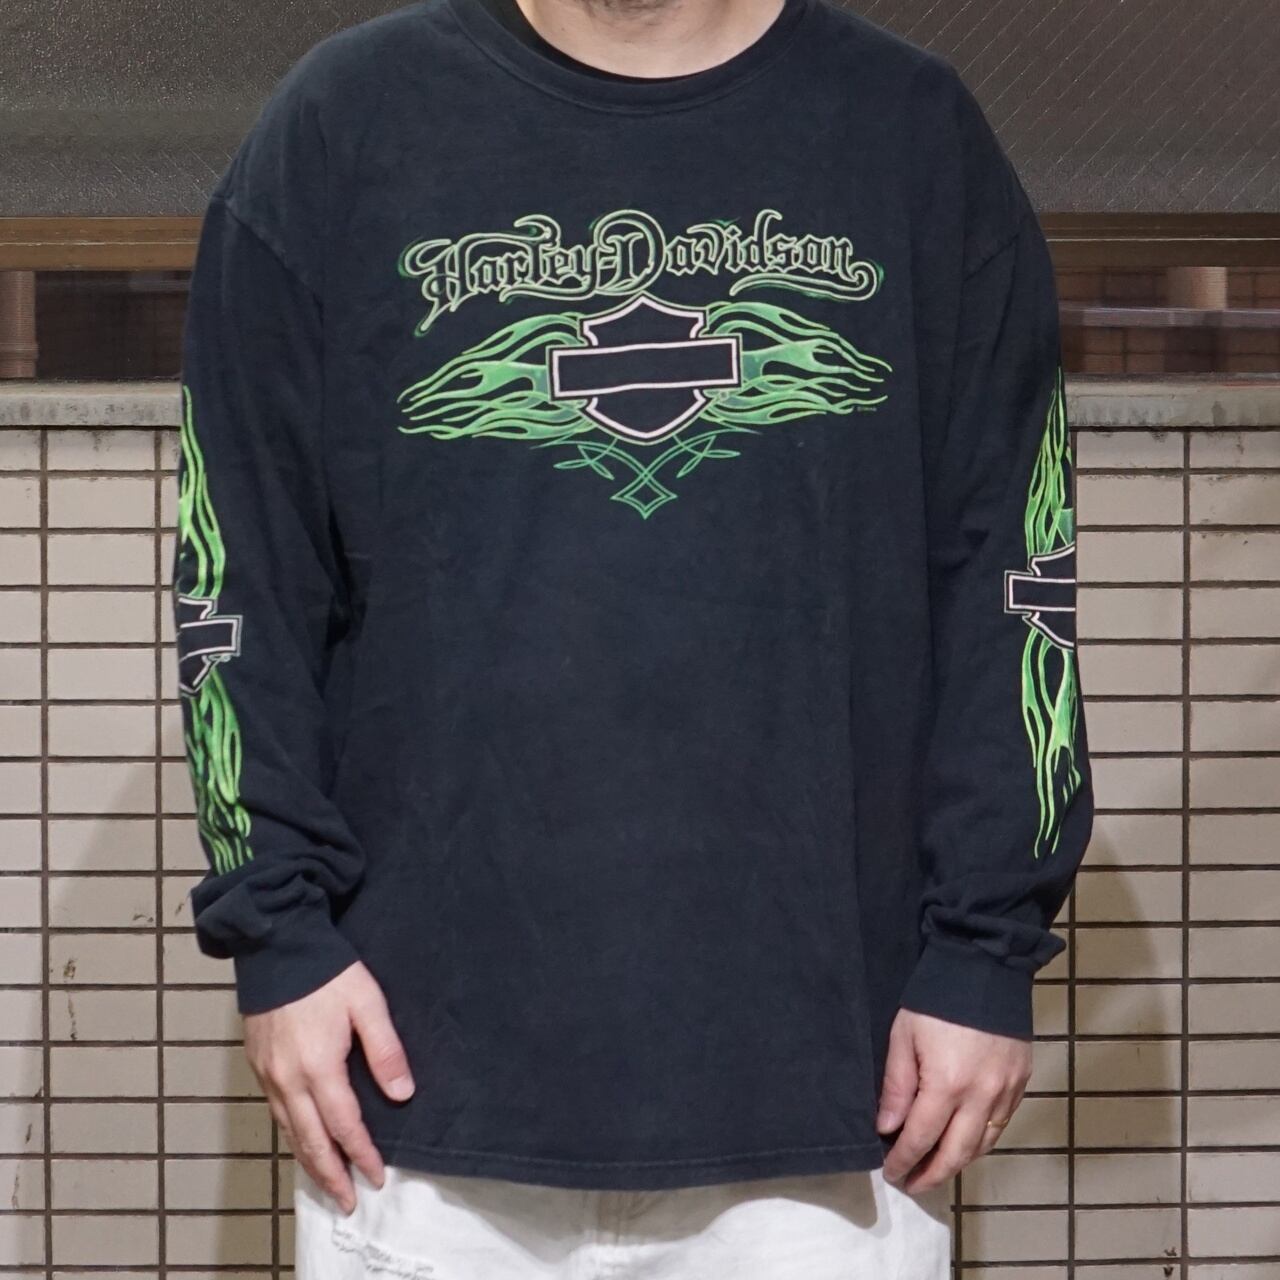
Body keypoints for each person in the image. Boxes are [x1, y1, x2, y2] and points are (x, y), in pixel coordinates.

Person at [170, 0, 1094, 1272]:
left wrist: (982, 953)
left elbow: (1012, 572)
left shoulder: (907, 133)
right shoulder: (346, 123)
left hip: (839, 1088)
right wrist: (280, 939)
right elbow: (240, 568)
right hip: (414, 1090)